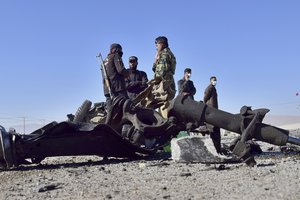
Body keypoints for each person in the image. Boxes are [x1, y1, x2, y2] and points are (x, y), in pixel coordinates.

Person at [152, 36, 177, 118]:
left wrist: (155, 62)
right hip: (168, 85)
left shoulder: (164, 54)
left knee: (163, 111)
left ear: (162, 44)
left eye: (157, 44)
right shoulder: (170, 53)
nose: (156, 47)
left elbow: (161, 72)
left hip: (164, 87)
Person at [102, 43, 129, 110]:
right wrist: (128, 73)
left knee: (111, 111)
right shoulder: (115, 56)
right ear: (117, 49)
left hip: (107, 89)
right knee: (127, 107)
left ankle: (109, 120)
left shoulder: (104, 61)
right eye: (121, 49)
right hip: (118, 88)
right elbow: (121, 70)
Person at [203, 76, 221, 153]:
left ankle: (217, 149)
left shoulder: (213, 88)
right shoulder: (209, 88)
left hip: (214, 111)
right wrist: (208, 107)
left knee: (216, 130)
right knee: (213, 130)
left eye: (215, 80)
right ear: (210, 81)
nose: (215, 81)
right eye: (213, 80)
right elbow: (205, 98)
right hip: (211, 111)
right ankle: (216, 150)